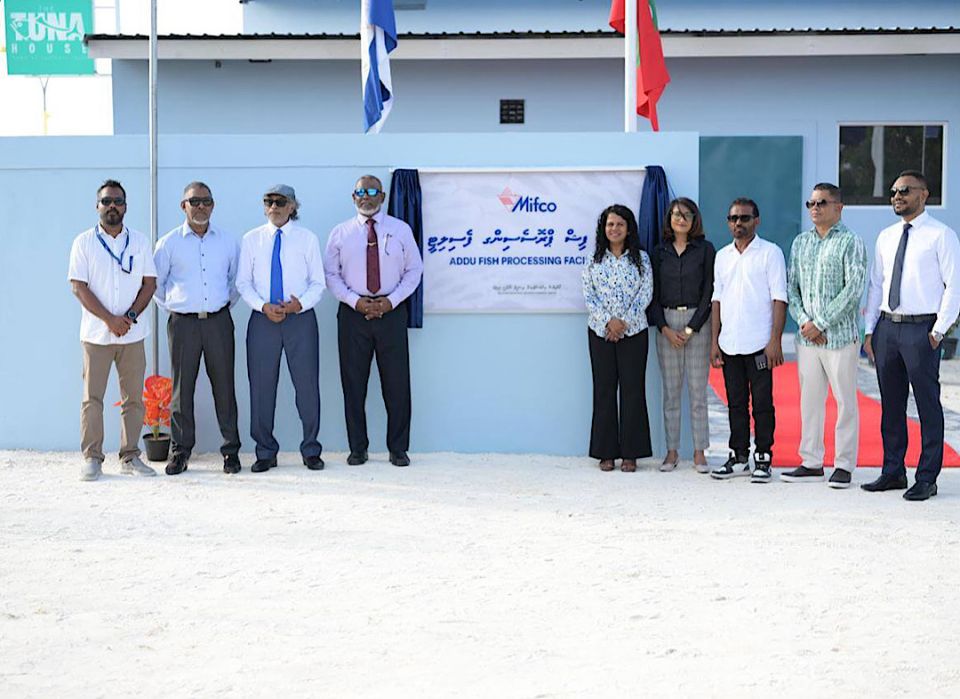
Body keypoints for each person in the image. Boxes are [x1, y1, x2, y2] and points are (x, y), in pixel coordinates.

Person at [862, 170, 960, 501]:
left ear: (923, 194)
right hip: (888, 328)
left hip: (922, 329)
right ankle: (893, 471)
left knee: (927, 404)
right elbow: (876, 285)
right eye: (893, 191)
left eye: (904, 190)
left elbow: (954, 286)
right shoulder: (886, 236)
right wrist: (871, 329)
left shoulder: (941, 235)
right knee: (891, 405)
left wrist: (938, 331)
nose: (897, 196)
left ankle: (927, 477)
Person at [323, 175, 423, 467]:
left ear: (382, 196)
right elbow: (331, 274)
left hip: (391, 313)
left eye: (371, 191)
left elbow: (414, 270)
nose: (365, 197)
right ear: (353, 197)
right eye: (360, 192)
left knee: (397, 384)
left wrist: (391, 301)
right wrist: (355, 301)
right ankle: (358, 448)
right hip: (353, 314)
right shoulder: (340, 233)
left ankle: (398, 448)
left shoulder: (400, 229)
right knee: (353, 384)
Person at [68, 179, 158, 481]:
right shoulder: (84, 242)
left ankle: (130, 456)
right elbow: (78, 287)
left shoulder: (140, 242)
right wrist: (109, 319)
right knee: (92, 398)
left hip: (132, 335)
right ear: (97, 206)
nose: (112, 206)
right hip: (96, 335)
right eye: (106, 201)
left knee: (133, 399)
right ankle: (92, 458)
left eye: (118, 201)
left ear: (125, 206)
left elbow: (149, 284)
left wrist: (128, 317)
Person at [154, 182, 242, 476]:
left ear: (213, 205)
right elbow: (157, 285)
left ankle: (230, 452)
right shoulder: (168, 243)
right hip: (183, 324)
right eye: (194, 202)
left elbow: (235, 283)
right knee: (182, 390)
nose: (201, 206)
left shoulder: (227, 242)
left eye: (206, 201)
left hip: (218, 322)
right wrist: (178, 308)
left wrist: (218, 307)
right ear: (184, 206)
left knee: (224, 387)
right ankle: (180, 452)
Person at [237, 185, 326, 473]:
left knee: (307, 386)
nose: (273, 206)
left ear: (292, 206)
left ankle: (311, 449)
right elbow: (243, 283)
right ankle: (265, 452)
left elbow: (318, 282)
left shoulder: (307, 239)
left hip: (300, 319)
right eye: (268, 201)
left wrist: (300, 305)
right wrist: (262, 306)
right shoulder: (251, 239)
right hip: (263, 319)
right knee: (261, 387)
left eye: (280, 201)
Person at [784, 183, 867, 489]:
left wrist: (820, 323)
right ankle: (811, 461)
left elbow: (853, 290)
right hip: (807, 339)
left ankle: (843, 464)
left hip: (840, 338)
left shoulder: (851, 241)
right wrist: (806, 322)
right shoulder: (801, 242)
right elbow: (792, 287)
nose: (815, 208)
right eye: (811, 203)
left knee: (845, 402)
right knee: (810, 401)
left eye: (821, 202)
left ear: (838, 207)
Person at [710, 197, 787, 483]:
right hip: (730, 343)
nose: (738, 223)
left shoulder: (770, 253)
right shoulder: (722, 256)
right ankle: (739, 456)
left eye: (744, 218)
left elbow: (779, 298)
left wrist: (775, 340)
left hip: (759, 344)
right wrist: (714, 342)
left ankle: (763, 457)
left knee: (763, 404)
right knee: (735, 403)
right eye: (733, 218)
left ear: (757, 220)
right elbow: (717, 299)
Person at [582, 204, 653, 472]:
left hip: (633, 332)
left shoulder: (641, 259)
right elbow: (589, 295)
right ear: (603, 228)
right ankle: (606, 452)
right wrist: (608, 323)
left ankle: (631, 453)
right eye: (610, 224)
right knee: (604, 390)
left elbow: (645, 293)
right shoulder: (594, 259)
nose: (614, 229)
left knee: (633, 391)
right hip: (600, 333)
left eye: (620, 224)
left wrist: (623, 323)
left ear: (628, 229)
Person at [648, 197, 715, 474]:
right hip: (666, 324)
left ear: (694, 219)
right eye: (676, 214)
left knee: (698, 392)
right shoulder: (658, 252)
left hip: (697, 323)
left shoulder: (705, 250)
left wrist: (691, 328)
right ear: (669, 218)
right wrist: (665, 328)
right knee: (671, 393)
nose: (681, 219)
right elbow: (651, 294)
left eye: (687, 214)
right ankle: (672, 451)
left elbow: (709, 292)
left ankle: (699, 452)